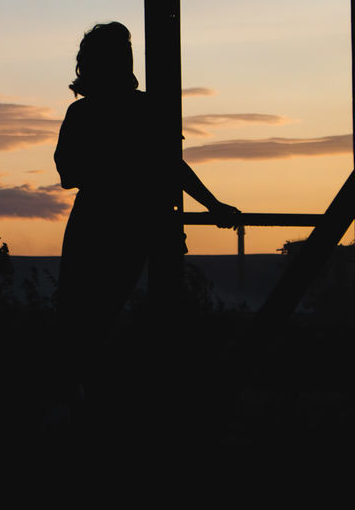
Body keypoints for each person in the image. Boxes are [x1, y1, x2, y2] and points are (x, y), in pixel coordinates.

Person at [53, 21, 240, 394]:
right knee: (99, 320)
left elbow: (68, 174)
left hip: (96, 224)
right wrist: (212, 204)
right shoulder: (143, 109)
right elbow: (172, 166)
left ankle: (80, 396)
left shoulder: (83, 115)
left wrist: (213, 204)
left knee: (81, 321)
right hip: (134, 226)